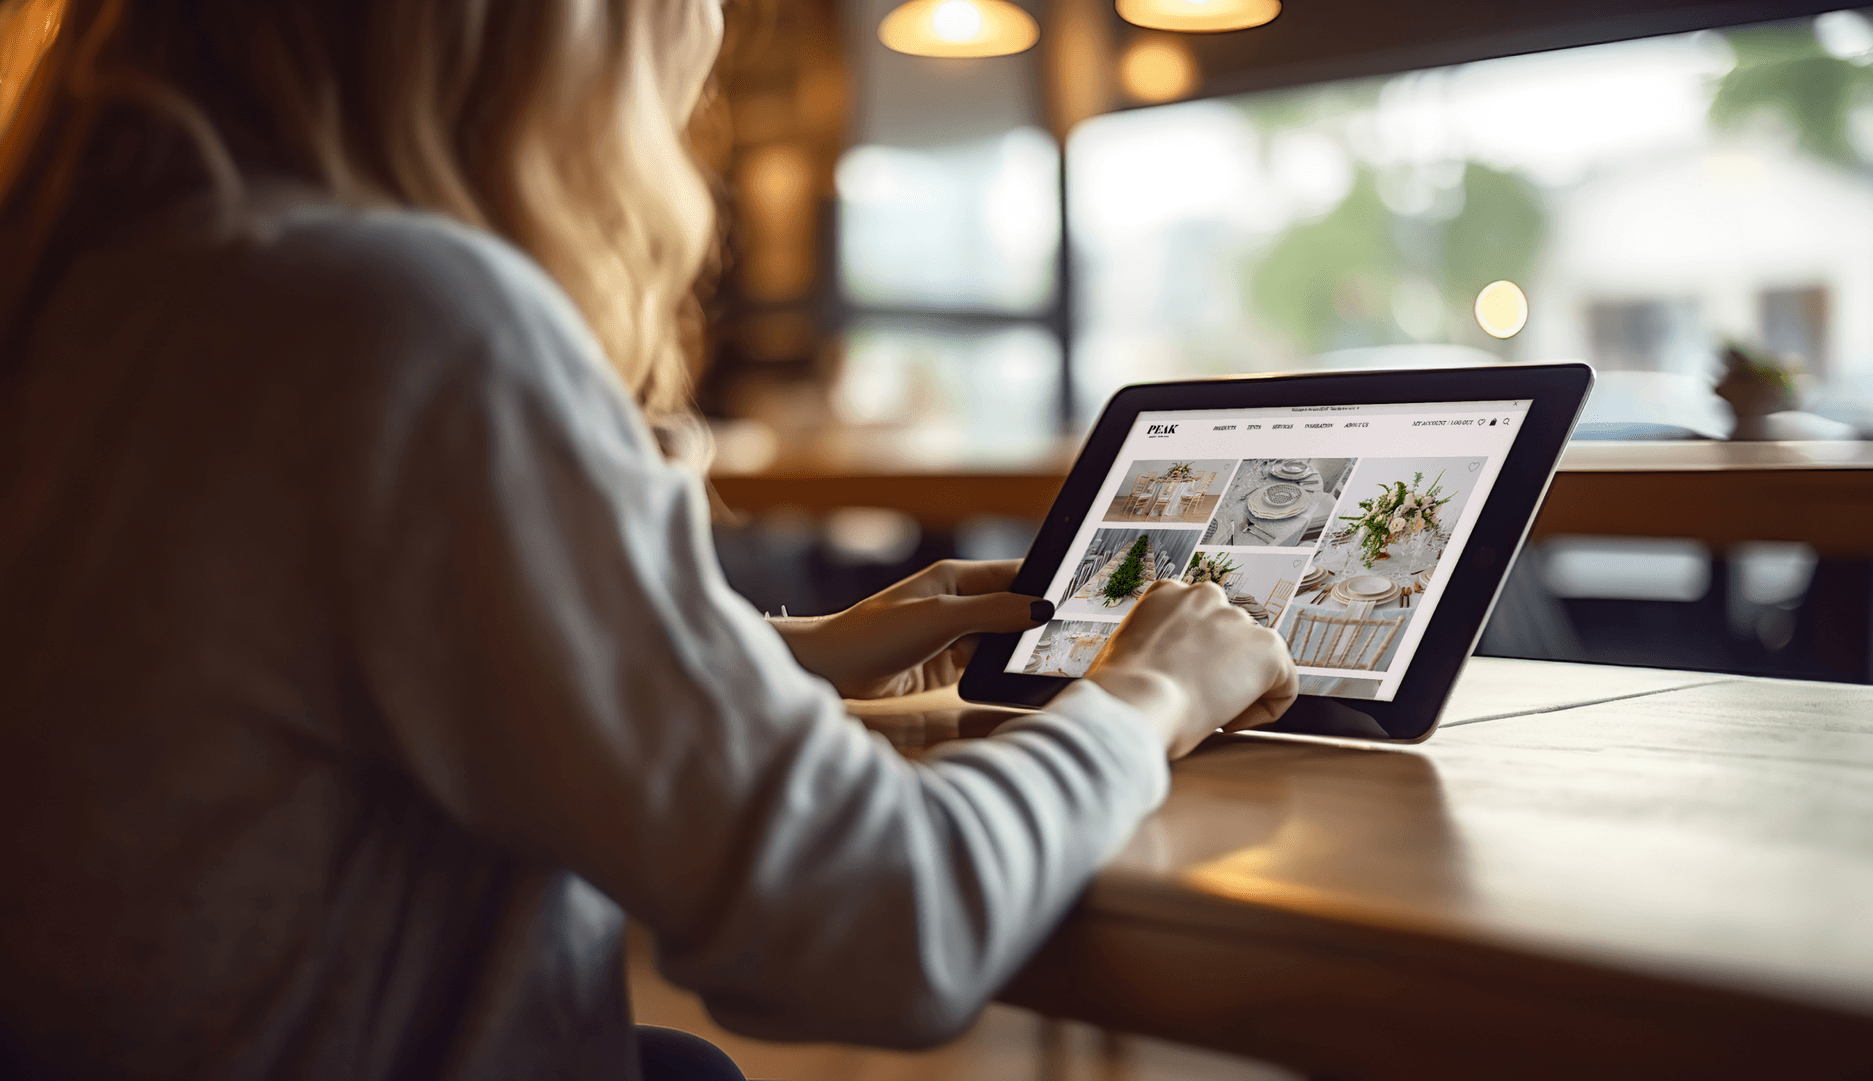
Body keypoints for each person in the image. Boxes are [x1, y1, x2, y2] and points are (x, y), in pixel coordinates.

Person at [0, 1, 1300, 1078]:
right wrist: (1147, 694)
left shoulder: (101, 291)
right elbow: (878, 923)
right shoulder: (401, 321)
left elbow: (335, 666)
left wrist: (797, 651)